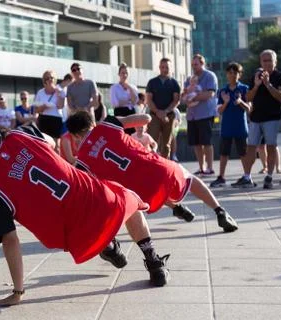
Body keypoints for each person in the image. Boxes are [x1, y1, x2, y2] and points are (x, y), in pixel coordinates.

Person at [0, 116, 172, 307]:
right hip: (99, 199)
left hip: (77, 237)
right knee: (128, 202)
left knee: (80, 219)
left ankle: (107, 245)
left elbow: (10, 239)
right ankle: (153, 262)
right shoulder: (21, 134)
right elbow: (50, 141)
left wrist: (18, 292)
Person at [66, 111, 239, 232]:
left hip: (139, 195)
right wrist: (121, 120)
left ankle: (176, 208)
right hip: (158, 168)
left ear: (75, 136)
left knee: (146, 185)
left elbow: (81, 186)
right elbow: (146, 118)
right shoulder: (108, 124)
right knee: (189, 179)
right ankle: (219, 211)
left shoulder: (82, 159)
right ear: (92, 123)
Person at [233, 49, 281, 189]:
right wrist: (258, 85)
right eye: (264, 60)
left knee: (271, 146)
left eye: (269, 60)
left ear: (275, 62)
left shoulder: (280, 76)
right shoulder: (255, 76)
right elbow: (249, 97)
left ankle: (269, 176)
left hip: (272, 117)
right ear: (260, 62)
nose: (267, 63)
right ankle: (247, 176)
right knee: (251, 147)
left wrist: (268, 84)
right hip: (255, 118)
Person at [210, 62, 251, 188]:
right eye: (230, 73)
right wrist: (226, 102)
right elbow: (219, 110)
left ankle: (247, 176)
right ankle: (221, 177)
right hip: (227, 126)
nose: (232, 75)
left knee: (243, 152)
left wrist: (240, 102)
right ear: (226, 74)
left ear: (240, 74)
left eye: (235, 73)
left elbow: (249, 108)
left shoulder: (244, 89)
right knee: (224, 152)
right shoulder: (223, 91)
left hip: (240, 126)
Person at [185, 54, 219, 175]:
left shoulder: (210, 76)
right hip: (192, 115)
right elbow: (184, 95)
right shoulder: (189, 78)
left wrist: (193, 98)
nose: (194, 67)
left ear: (202, 64)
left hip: (205, 114)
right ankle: (201, 167)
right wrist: (187, 99)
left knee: (206, 142)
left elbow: (210, 94)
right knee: (196, 143)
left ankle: (210, 167)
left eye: (196, 64)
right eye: (193, 65)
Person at [145, 58, 181, 158]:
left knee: (166, 145)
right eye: (162, 67)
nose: (165, 69)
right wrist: (158, 112)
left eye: (167, 67)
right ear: (159, 68)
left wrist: (166, 111)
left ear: (170, 68)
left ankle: (165, 166)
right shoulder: (152, 82)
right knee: (152, 142)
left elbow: (176, 100)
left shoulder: (174, 83)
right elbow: (149, 99)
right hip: (154, 115)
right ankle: (150, 164)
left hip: (169, 116)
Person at [34, 70, 65, 149]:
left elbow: (60, 106)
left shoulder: (60, 91)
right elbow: (36, 110)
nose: (50, 79)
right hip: (44, 119)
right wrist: (43, 107)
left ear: (55, 79)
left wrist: (58, 93)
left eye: (52, 77)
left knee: (56, 145)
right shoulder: (40, 92)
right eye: (47, 78)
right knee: (44, 144)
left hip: (56, 118)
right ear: (44, 80)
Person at [110, 63, 139, 134]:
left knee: (132, 134)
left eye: (126, 73)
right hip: (120, 113)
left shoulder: (133, 87)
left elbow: (135, 101)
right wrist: (128, 101)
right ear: (119, 74)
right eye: (122, 73)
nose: (124, 75)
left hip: (131, 113)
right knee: (121, 134)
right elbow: (115, 103)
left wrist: (129, 87)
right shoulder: (114, 88)